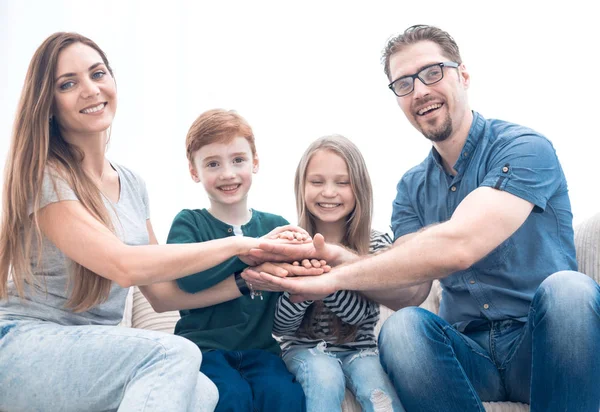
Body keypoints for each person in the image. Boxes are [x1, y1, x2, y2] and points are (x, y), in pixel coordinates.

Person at [243, 25, 600, 412]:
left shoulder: (523, 147)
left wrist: (333, 278)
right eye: (404, 84)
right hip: (468, 353)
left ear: (463, 75)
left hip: (542, 345)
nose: (420, 91)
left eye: (432, 73)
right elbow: (410, 291)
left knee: (570, 289)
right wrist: (340, 258)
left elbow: (461, 244)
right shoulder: (412, 187)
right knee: (403, 327)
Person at [0, 32, 285, 412]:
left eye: (97, 74)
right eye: (68, 84)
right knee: (173, 355)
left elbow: (164, 296)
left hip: (91, 351)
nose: (89, 89)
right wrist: (242, 244)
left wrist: (246, 281)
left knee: (205, 394)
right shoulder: (46, 176)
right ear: (48, 104)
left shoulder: (131, 184)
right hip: (23, 345)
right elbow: (124, 266)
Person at [152, 109, 309, 412]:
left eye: (238, 160)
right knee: (228, 398)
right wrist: (247, 253)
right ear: (194, 171)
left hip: (263, 352)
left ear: (255, 162)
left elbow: (291, 286)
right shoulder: (188, 223)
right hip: (204, 351)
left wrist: (301, 259)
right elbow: (188, 278)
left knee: (286, 398)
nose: (227, 173)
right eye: (213, 163)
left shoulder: (274, 225)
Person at [270, 135, 404, 412]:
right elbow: (280, 327)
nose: (328, 192)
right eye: (317, 182)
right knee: (325, 377)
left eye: (342, 183)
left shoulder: (376, 245)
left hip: (361, 350)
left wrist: (322, 283)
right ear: (302, 187)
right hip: (302, 350)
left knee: (380, 395)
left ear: (359, 189)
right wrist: (302, 293)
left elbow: (359, 316)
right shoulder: (288, 243)